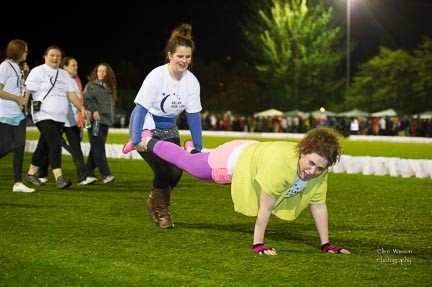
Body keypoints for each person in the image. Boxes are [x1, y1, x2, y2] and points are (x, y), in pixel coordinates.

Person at [131, 126, 351, 256]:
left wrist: (326, 245)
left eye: (320, 168)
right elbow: (265, 207)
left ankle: (195, 150)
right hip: (235, 159)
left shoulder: (320, 172)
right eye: (311, 163)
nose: (313, 171)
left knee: (196, 159)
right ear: (302, 151)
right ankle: (146, 139)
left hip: (254, 153)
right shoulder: (281, 166)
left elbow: (319, 205)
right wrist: (259, 244)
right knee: (187, 163)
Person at [128, 23, 203, 229]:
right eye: (180, 56)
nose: (184, 61)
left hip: (170, 128)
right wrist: (136, 141)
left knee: (176, 171)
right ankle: (163, 214)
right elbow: (141, 109)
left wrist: (197, 146)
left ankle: (154, 198)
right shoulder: (156, 76)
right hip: (146, 127)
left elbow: (194, 116)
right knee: (161, 170)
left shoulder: (192, 82)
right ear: (170, 55)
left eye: (187, 57)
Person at [24, 45, 85, 189]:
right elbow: (28, 91)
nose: (55, 58)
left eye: (58, 55)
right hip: (43, 115)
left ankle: (31, 174)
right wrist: (22, 105)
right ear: (45, 56)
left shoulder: (64, 75)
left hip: (59, 118)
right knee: (55, 144)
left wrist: (81, 107)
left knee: (43, 146)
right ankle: (59, 178)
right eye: (52, 55)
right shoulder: (38, 71)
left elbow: (71, 94)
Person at [36, 57, 96, 186]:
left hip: (71, 120)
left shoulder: (76, 80)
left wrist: (80, 116)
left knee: (76, 148)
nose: (76, 67)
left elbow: (79, 100)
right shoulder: (60, 80)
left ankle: (83, 177)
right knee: (49, 146)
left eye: (76, 65)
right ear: (65, 67)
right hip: (58, 120)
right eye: (73, 65)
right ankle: (41, 173)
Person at [0, 39, 34, 192]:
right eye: (25, 50)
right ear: (17, 51)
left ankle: (18, 183)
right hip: (4, 114)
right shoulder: (5, 66)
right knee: (6, 148)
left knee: (20, 147)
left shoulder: (18, 67)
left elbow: (18, 88)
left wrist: (25, 75)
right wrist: (17, 99)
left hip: (18, 115)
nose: (26, 53)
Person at [83, 62, 117, 184]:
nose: (102, 73)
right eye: (99, 71)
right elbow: (86, 100)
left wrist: (111, 120)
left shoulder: (109, 88)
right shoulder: (91, 86)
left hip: (105, 122)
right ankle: (106, 175)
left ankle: (87, 174)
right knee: (99, 148)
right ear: (96, 73)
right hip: (94, 121)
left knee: (96, 149)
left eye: (104, 71)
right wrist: (94, 110)